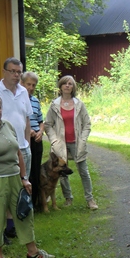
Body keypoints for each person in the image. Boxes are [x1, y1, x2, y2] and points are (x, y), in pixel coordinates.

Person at [0, 93, 55, 258]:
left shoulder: (7, 125)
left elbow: (18, 153)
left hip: (14, 179)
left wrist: (23, 178)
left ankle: (33, 252)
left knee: (24, 213)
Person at [0, 57, 32, 240]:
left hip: (21, 148)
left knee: (19, 190)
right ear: (4, 71)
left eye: (19, 72)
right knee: (0, 192)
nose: (16, 75)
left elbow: (26, 118)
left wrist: (26, 143)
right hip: (0, 150)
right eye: (12, 71)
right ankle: (0, 229)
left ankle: (13, 228)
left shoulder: (23, 92)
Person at [45, 75, 97, 210]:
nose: (67, 86)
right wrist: (54, 140)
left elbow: (87, 124)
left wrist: (83, 139)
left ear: (73, 87)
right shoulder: (54, 105)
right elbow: (48, 124)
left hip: (77, 143)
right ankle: (68, 198)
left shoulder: (79, 104)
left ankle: (90, 199)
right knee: (62, 173)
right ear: (61, 86)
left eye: (70, 84)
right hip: (60, 144)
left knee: (83, 172)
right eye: (65, 83)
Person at [22, 71, 44, 210]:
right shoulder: (18, 99)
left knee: (36, 171)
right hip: (25, 139)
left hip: (37, 140)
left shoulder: (35, 101)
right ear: (22, 84)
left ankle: (36, 204)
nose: (31, 87)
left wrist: (41, 132)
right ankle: (25, 203)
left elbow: (41, 121)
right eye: (28, 84)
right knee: (26, 173)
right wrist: (27, 130)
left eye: (33, 85)